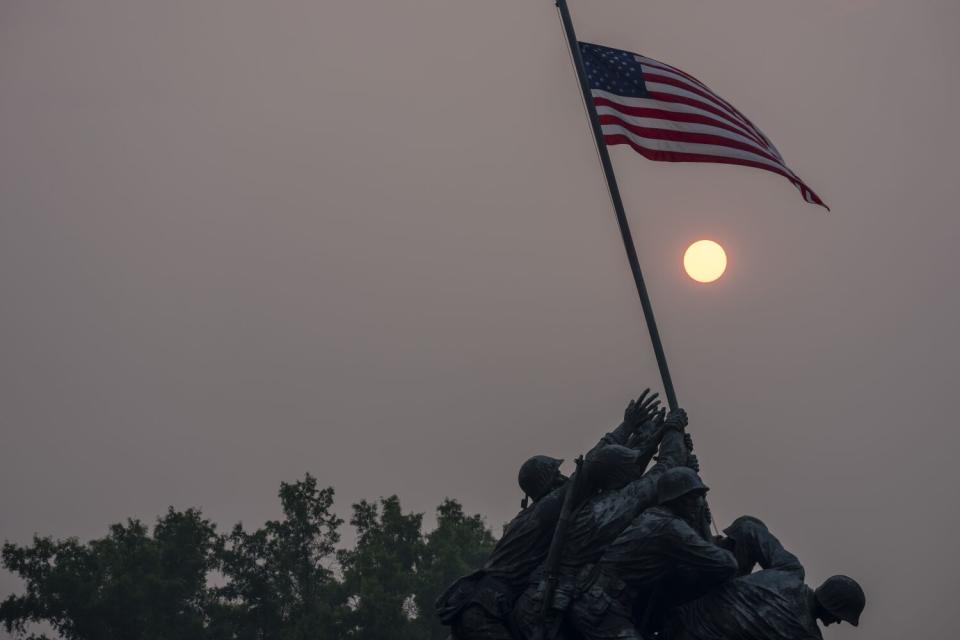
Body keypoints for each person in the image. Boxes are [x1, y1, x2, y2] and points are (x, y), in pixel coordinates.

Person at [436, 390, 661, 640]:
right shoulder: (546, 511)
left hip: (489, 607)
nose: (563, 476)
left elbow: (602, 475)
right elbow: (590, 470)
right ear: (551, 480)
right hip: (485, 612)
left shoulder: (536, 514)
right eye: (558, 474)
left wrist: (645, 442)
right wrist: (627, 426)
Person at [511, 408, 692, 640]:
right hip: (563, 607)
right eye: (632, 465)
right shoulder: (611, 507)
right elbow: (665, 469)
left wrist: (656, 433)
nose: (637, 468)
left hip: (554, 600)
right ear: (619, 474)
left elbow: (602, 462)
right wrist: (673, 430)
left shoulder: (588, 503)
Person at [568, 467, 738, 640]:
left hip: (602, 599)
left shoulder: (652, 516)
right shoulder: (671, 529)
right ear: (677, 499)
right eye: (693, 498)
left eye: (701, 498)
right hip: (600, 604)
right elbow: (726, 563)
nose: (699, 503)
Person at [664, 517, 865, 640]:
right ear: (832, 605)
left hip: (679, 620)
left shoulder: (790, 570)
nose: (838, 621)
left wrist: (731, 568)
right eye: (841, 615)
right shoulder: (807, 635)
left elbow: (747, 528)